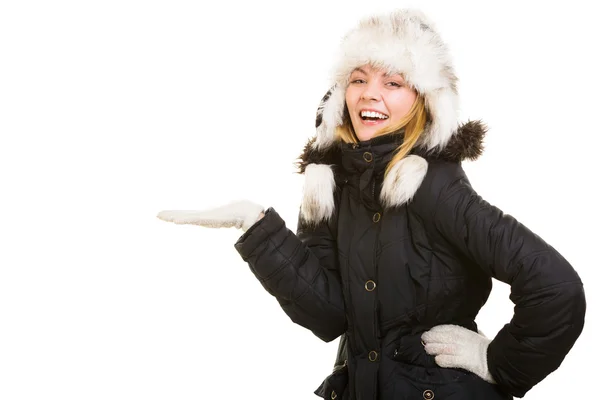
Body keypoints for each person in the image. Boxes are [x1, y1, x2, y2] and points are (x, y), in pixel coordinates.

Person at [157, 9, 586, 400]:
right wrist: (258, 230)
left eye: (393, 82)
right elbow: (329, 316)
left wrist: (497, 362)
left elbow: (557, 289)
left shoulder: (433, 184)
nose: (369, 94)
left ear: (423, 99)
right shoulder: (331, 183)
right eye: (358, 79)